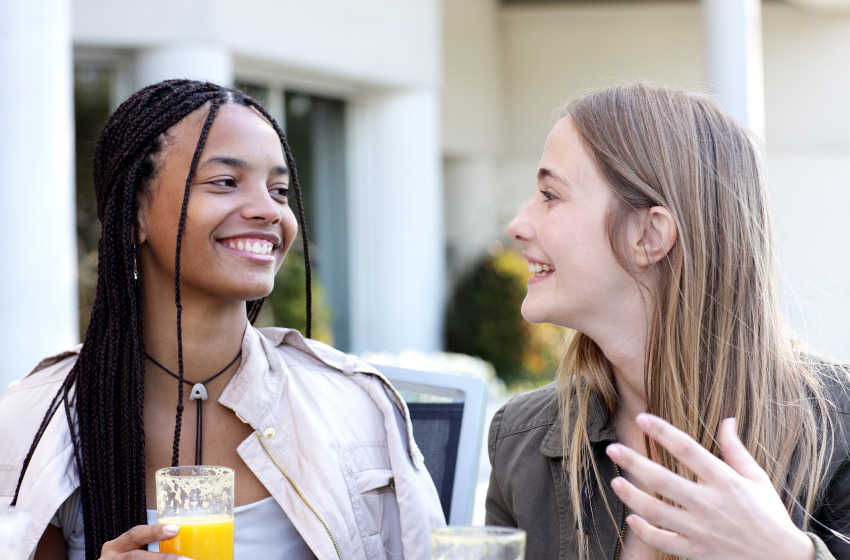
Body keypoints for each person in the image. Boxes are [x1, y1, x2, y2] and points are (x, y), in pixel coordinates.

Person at [0, 79, 444, 560]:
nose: (268, 211)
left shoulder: (358, 407)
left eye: (278, 190)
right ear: (134, 216)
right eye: (226, 182)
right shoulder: (36, 424)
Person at [485, 83, 850, 560]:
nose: (518, 224)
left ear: (648, 234)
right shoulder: (521, 442)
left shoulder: (839, 427)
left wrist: (789, 555)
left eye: (550, 195)